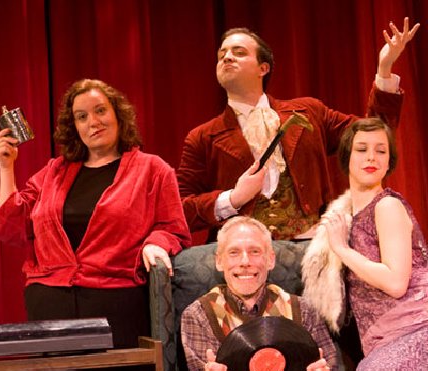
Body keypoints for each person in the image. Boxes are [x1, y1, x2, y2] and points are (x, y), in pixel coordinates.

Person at [0, 79, 191, 371]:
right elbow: (12, 225)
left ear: (118, 116)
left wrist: (156, 243)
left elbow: (174, 228)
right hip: (50, 299)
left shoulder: (152, 169)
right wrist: (6, 168)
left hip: (115, 301)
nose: (92, 122)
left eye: (99, 111)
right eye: (81, 116)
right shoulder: (54, 172)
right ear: (73, 126)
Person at [177, 18, 419, 242]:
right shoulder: (202, 138)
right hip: (245, 258)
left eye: (238, 53)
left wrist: (384, 70)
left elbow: (375, 134)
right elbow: (180, 208)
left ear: (264, 68)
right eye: (222, 54)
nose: (227, 57)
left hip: (312, 247)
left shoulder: (309, 112)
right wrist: (232, 198)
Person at [302, 117, 428, 371]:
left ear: (390, 161)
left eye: (380, 151)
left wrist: (342, 250)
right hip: (383, 337)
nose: (371, 157)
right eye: (362, 149)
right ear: (346, 157)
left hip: (415, 326)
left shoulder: (386, 207)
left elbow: (396, 282)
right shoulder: (345, 216)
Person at [181, 216, 342, 371]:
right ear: (219, 261)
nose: (245, 261)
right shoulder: (199, 315)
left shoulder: (304, 309)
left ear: (270, 259)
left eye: (255, 251)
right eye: (234, 252)